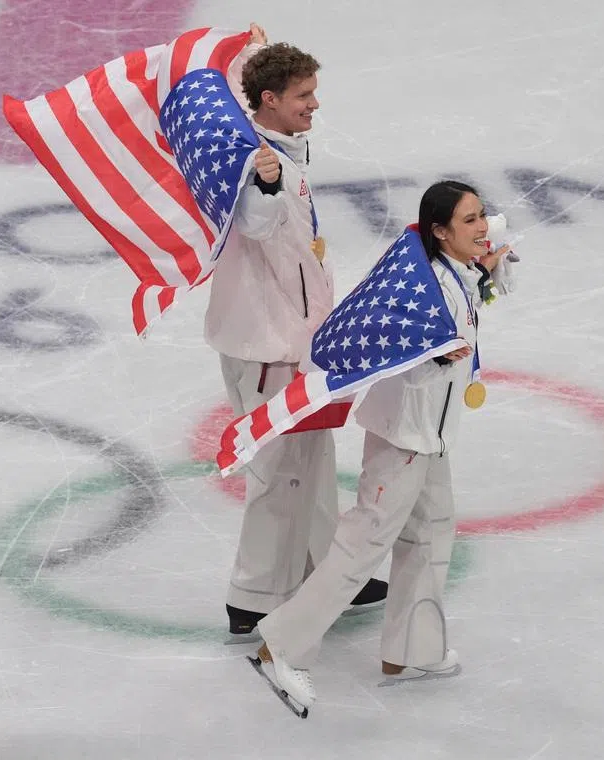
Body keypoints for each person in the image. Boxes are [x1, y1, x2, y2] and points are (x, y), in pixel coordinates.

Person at [251, 180, 518, 711]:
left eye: (482, 215)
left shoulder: (453, 271)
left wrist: (487, 273)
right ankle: (277, 646)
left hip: (432, 438)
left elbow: (474, 289)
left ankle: (410, 651)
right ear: (439, 231)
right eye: (469, 220)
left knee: (431, 536)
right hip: (403, 441)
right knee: (362, 546)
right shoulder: (421, 293)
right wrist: (434, 354)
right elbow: (394, 340)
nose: (483, 226)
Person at [207, 24, 387, 638]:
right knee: (279, 471)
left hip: (292, 337)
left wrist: (256, 49)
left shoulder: (277, 146)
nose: (314, 104)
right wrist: (261, 182)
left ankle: (329, 570)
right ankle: (252, 596)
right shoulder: (262, 163)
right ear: (268, 102)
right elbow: (256, 224)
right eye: (302, 95)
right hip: (267, 344)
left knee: (309, 461)